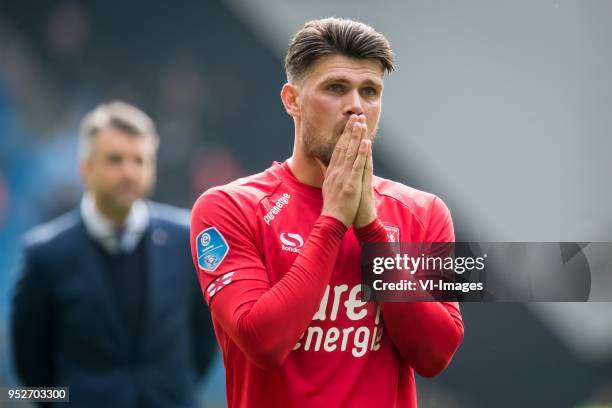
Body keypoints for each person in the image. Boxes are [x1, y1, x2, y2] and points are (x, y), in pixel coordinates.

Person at [190, 17, 464, 408]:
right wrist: (333, 221)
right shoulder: (228, 207)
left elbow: (436, 355)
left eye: (369, 91)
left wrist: (371, 228)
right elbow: (263, 342)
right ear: (292, 100)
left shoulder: (425, 212)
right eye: (336, 88)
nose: (356, 106)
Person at [11, 101, 216, 407]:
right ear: (86, 168)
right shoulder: (46, 254)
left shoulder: (186, 241)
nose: (129, 172)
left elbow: (204, 342)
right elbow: (30, 363)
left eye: (139, 160)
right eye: (115, 160)